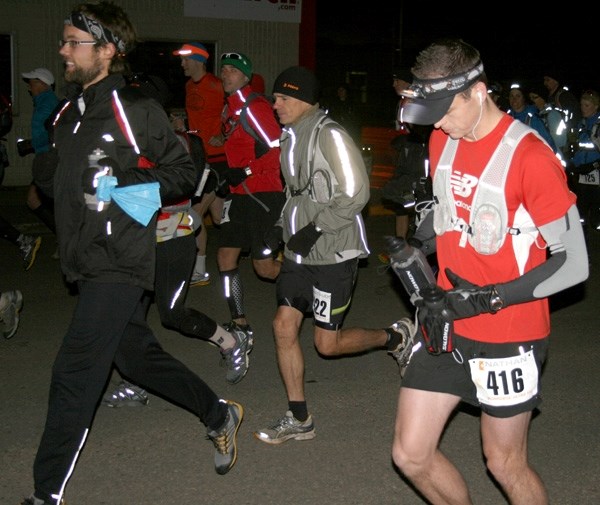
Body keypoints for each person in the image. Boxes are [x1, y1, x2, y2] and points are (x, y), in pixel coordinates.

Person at [22, 4, 243, 504]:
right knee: (135, 357)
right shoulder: (69, 111)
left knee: (75, 373)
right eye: (64, 40)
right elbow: (62, 177)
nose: (63, 50)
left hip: (119, 256)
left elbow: (183, 173)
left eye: (73, 41)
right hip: (85, 257)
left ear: (107, 50)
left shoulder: (134, 107)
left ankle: (44, 494)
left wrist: (121, 188)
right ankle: (218, 412)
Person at [393, 38, 589, 504]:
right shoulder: (444, 138)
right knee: (410, 454)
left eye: (444, 110)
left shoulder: (531, 157)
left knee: (504, 462)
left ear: (478, 92)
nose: (437, 123)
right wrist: (417, 243)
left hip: (509, 330)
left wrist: (490, 298)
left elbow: (575, 264)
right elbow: (451, 214)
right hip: (446, 317)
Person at [253, 66, 415, 445]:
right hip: (299, 252)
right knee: (282, 325)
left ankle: (394, 338)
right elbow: (297, 193)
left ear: (305, 100)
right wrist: (279, 227)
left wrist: (315, 228)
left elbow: (357, 193)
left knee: (328, 345)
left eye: (283, 98)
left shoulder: (331, 135)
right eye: (275, 97)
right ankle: (299, 419)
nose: (275, 104)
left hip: (334, 252)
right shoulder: (290, 136)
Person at [212, 51, 285, 340]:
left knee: (264, 268)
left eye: (233, 70)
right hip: (238, 194)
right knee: (225, 256)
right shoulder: (229, 109)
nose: (226, 74)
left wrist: (247, 171)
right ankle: (239, 322)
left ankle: (308, 279)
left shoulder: (255, 106)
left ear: (246, 77)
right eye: (224, 69)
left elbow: (277, 146)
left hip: (264, 194)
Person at [172, 41, 227, 287]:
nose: (182, 64)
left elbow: (234, 111)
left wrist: (225, 134)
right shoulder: (187, 85)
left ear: (198, 61)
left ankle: (199, 269)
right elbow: (197, 120)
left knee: (194, 214)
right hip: (198, 156)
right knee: (218, 218)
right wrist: (183, 127)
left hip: (215, 159)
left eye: (185, 60)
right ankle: (261, 237)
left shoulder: (216, 85)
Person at [20, 68, 60, 239]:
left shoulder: (47, 104)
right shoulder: (45, 102)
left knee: (34, 200)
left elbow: (54, 133)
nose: (29, 87)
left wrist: (31, 144)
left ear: (42, 83)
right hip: (48, 157)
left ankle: (65, 238)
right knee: (40, 200)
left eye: (31, 82)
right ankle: (64, 238)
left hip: (49, 159)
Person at [567, 89, 600, 238]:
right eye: (582, 105)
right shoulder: (581, 124)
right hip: (581, 175)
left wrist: (592, 166)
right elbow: (577, 148)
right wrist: (573, 163)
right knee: (581, 214)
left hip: (596, 175)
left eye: (587, 105)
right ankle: (584, 248)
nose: (583, 108)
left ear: (595, 106)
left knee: (595, 216)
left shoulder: (597, 126)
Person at [507, 83, 557, 152]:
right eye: (511, 96)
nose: (514, 99)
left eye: (518, 96)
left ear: (524, 98)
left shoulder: (533, 119)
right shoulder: (506, 118)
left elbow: (549, 145)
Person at [543, 70, 581, 155]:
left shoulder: (563, 96)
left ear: (556, 81)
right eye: (544, 80)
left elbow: (573, 118)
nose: (545, 83)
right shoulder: (551, 97)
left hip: (564, 142)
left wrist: (571, 139)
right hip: (555, 140)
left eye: (548, 80)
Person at [529, 85, 569, 157]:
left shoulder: (552, 115)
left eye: (534, 97)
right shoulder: (535, 115)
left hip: (554, 156)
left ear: (542, 98)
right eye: (530, 98)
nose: (532, 100)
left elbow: (560, 141)